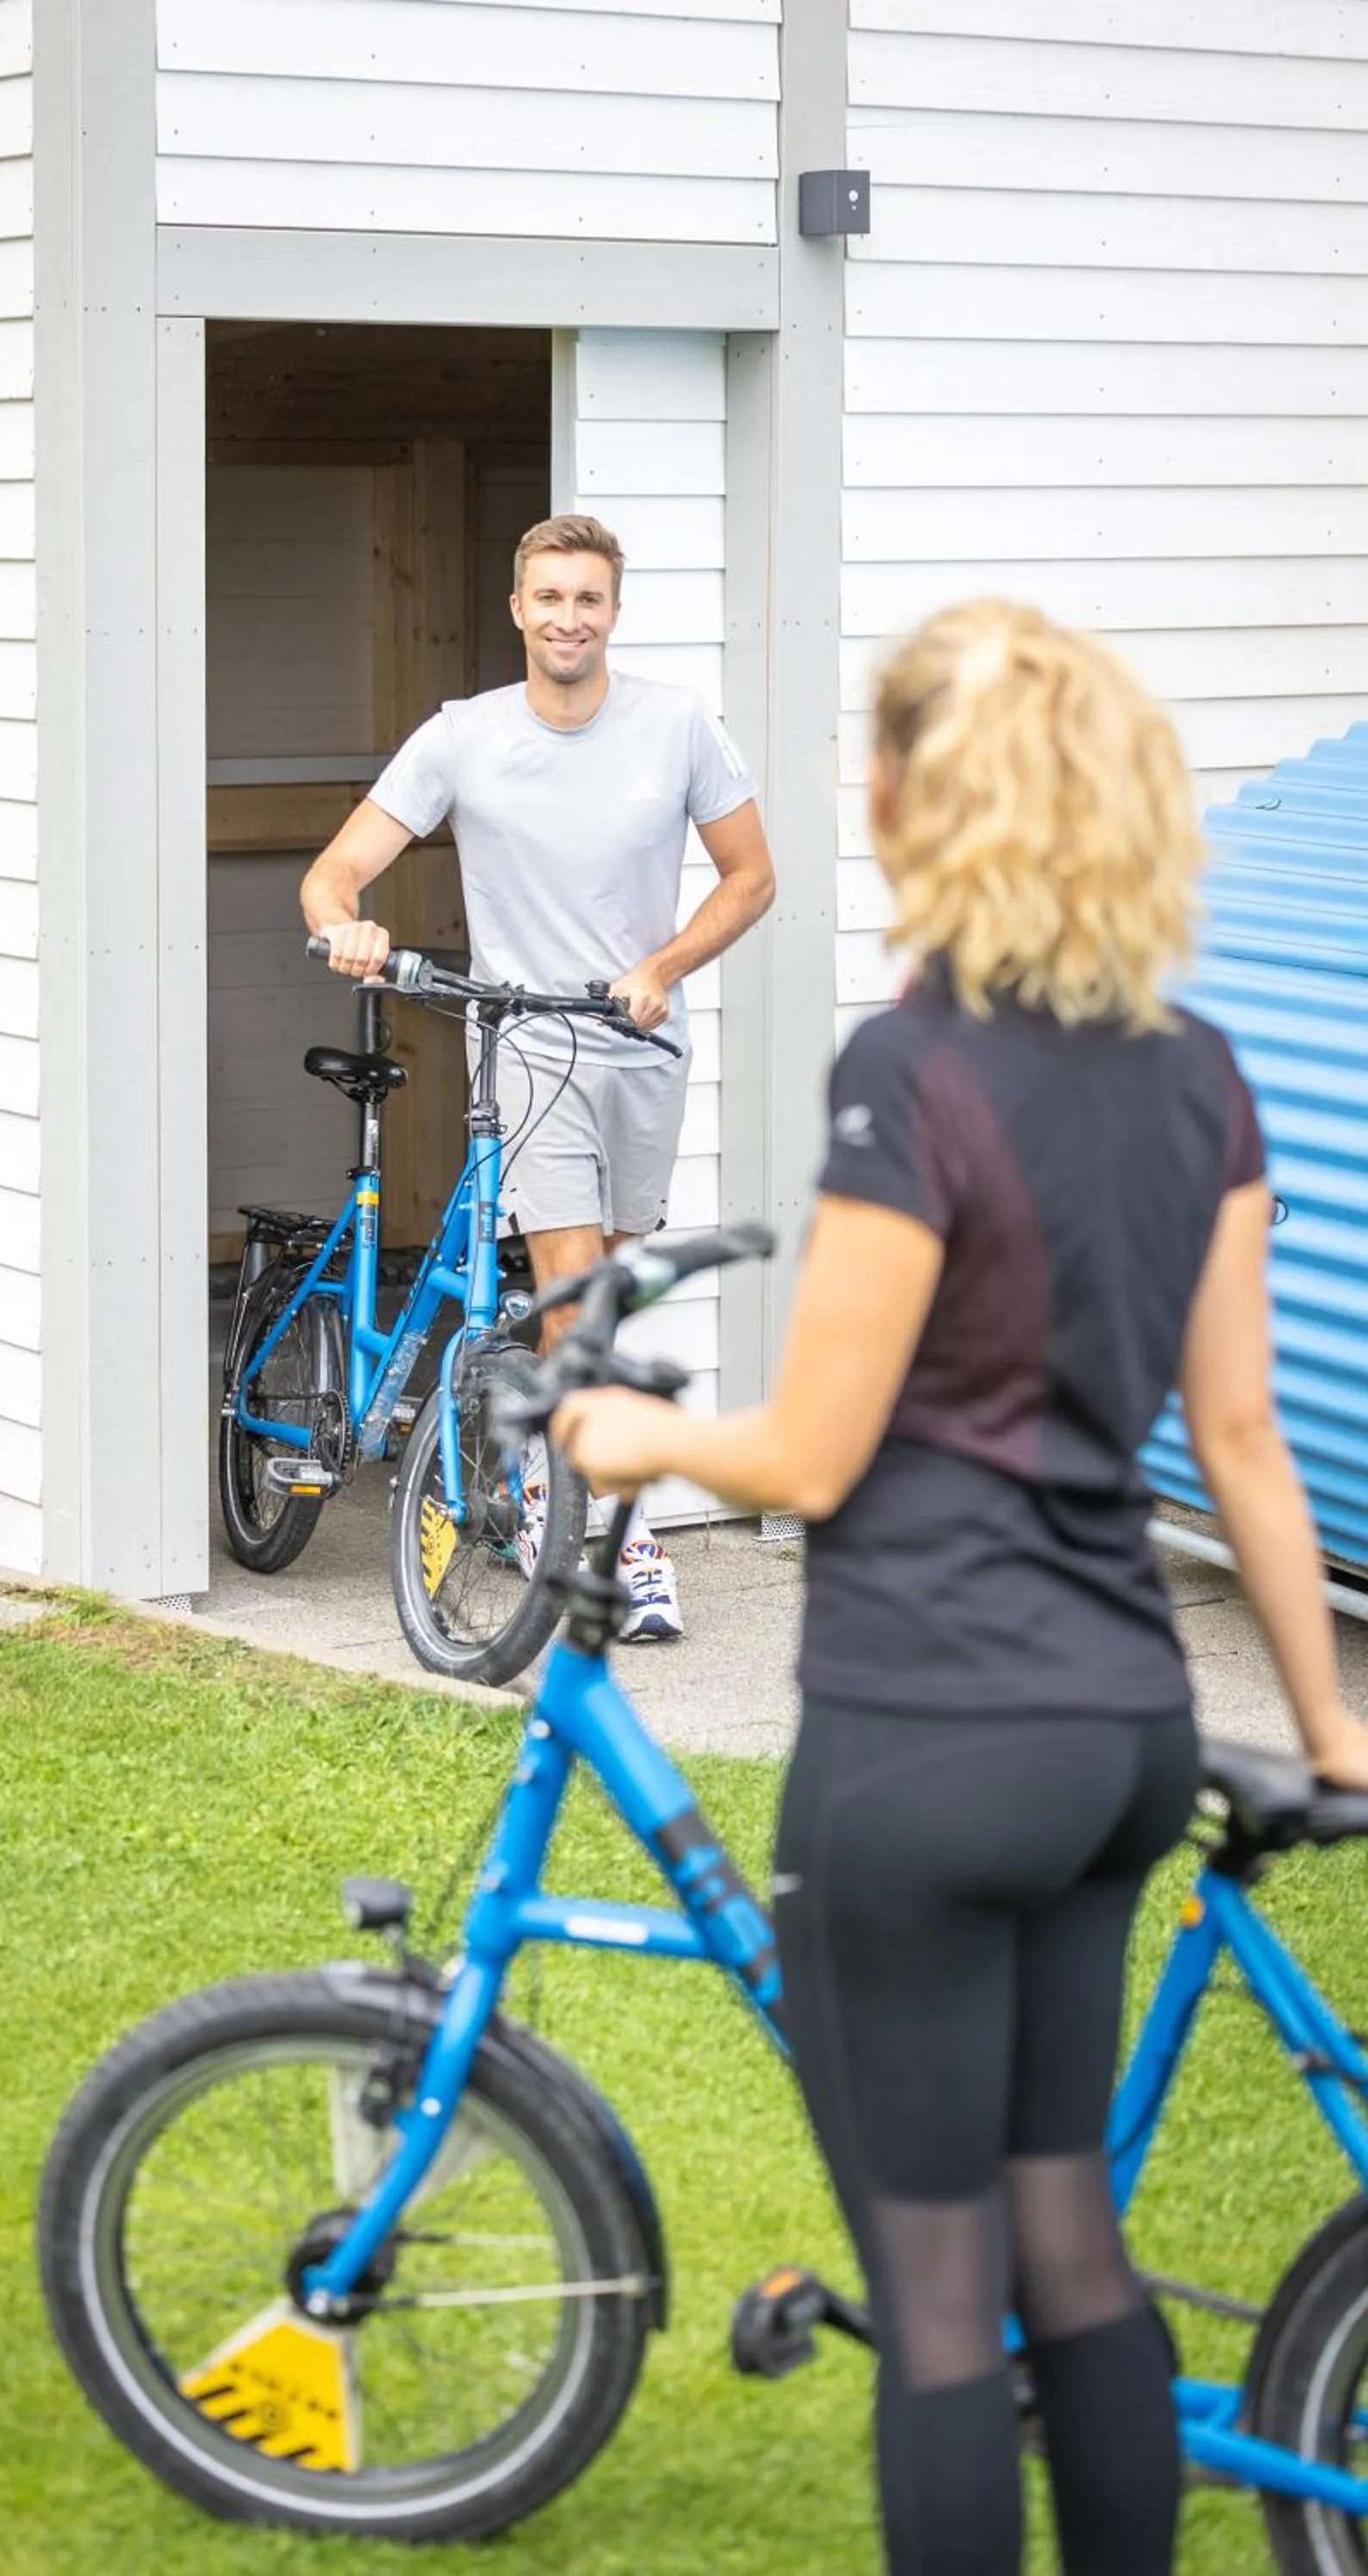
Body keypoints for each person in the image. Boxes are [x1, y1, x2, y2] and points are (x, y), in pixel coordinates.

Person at [552, 598, 1368, 2574]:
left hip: (927, 1736)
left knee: (935, 2310)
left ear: (917, 795)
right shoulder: (1199, 1074)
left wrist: (637, 1438)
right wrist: (1332, 1727)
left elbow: (814, 1456)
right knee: (1066, 2256)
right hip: (1114, 1741)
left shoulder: (907, 1072)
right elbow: (1243, 1444)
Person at [301, 512, 775, 1643]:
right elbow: (335, 874)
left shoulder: (677, 729)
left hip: (643, 1042)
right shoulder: (463, 738)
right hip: (526, 1042)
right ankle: (617, 1532)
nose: (569, 618)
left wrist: (662, 965)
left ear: (615, 612)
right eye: (549, 598)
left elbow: (751, 877)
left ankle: (538, 1480)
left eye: (589, 600)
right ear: (518, 610)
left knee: (604, 1288)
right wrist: (346, 928)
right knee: (571, 1287)